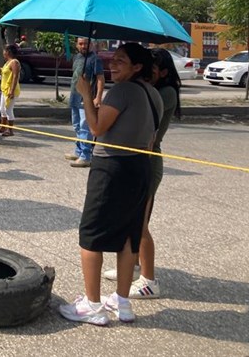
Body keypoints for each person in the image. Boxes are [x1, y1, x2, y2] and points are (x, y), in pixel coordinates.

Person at [59, 42, 162, 326]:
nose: (113, 65)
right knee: (128, 236)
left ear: (137, 66)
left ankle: (92, 304)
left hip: (111, 167)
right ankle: (122, 301)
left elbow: (96, 128)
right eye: (113, 59)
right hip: (140, 166)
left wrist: (85, 94)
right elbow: (151, 138)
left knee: (90, 235)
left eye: (121, 61)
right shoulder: (153, 94)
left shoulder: (122, 91)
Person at [103, 48, 182, 299]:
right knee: (129, 220)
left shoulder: (162, 94)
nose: (149, 74)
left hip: (148, 158)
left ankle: (149, 280)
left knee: (140, 223)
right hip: (137, 157)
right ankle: (132, 266)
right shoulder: (147, 91)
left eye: (153, 70)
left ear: (164, 72)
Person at [67, 37, 105, 168]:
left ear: (92, 45)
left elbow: (100, 78)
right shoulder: (76, 57)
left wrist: (98, 97)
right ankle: (78, 151)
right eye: (80, 44)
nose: (83, 46)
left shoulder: (95, 59)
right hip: (75, 96)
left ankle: (86, 156)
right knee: (77, 125)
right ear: (77, 45)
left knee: (85, 128)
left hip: (86, 99)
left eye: (86, 44)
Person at [0, 44, 21, 137]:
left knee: (8, 110)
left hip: (11, 90)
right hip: (4, 89)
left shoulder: (14, 62)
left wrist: (11, 90)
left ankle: (10, 130)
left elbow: (15, 77)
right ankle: (2, 127)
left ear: (8, 52)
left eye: (4, 51)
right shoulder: (7, 62)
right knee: (2, 109)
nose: (3, 53)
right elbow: (2, 72)